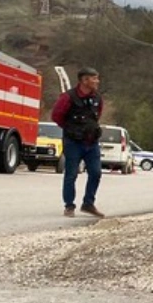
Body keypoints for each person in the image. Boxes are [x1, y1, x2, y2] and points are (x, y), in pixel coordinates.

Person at [51, 68, 105, 218]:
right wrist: (71, 129)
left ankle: (88, 203)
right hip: (73, 142)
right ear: (84, 80)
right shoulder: (68, 97)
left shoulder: (97, 98)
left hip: (91, 142)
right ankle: (69, 206)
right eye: (94, 79)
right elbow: (56, 116)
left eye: (97, 78)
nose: (97, 82)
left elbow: (97, 115)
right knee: (71, 174)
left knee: (96, 173)